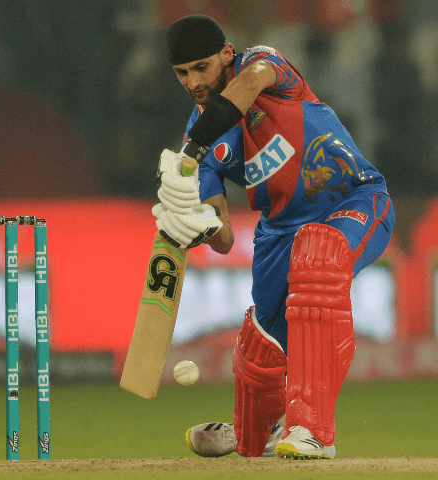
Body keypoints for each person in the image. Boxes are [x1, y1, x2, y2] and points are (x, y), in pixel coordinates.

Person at [152, 15, 394, 459]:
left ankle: (312, 430)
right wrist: (198, 223)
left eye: (201, 67)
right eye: (182, 73)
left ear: (226, 53)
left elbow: (243, 91)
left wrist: (188, 153)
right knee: (261, 343)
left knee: (316, 260)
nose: (193, 82)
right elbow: (223, 237)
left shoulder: (262, 64)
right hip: (278, 230)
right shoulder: (200, 139)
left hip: (352, 201)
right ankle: (252, 432)